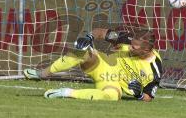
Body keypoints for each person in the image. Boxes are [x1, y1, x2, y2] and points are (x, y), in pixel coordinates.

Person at [23, 25, 162, 102]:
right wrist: (89, 37)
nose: (130, 47)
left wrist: (139, 95)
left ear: (146, 50)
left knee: (112, 96)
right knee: (83, 52)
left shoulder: (155, 68)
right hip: (102, 65)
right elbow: (100, 32)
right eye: (131, 44)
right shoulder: (126, 38)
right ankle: (41, 73)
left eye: (134, 47)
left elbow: (149, 97)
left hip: (113, 83)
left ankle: (66, 93)